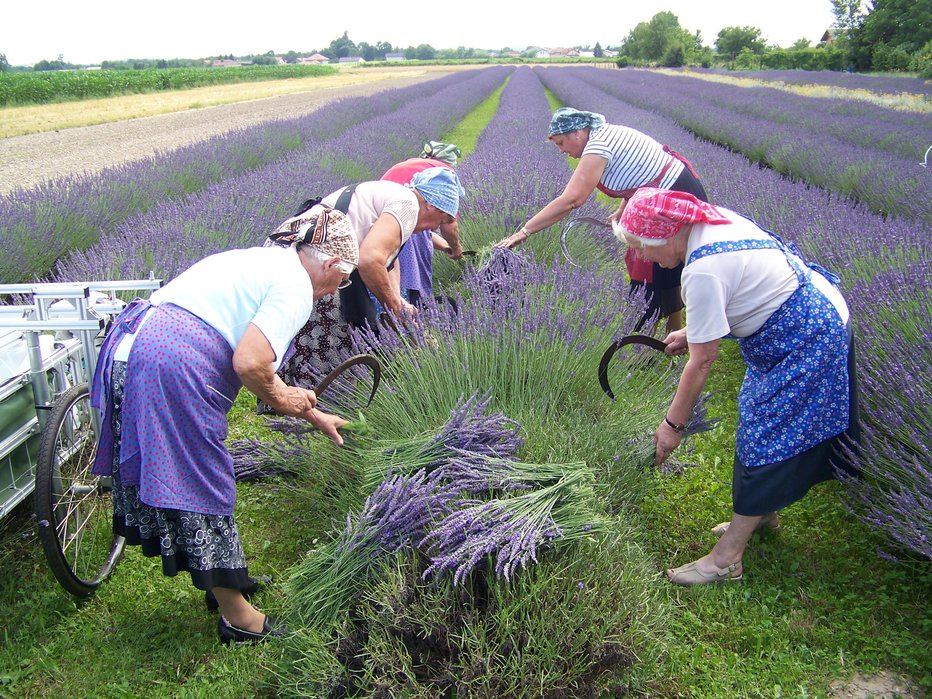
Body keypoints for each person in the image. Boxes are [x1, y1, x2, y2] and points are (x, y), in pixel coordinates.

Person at [90, 222, 358, 645]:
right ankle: (238, 618)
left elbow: (260, 367)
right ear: (330, 262)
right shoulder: (295, 288)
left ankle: (226, 579)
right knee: (201, 481)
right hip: (170, 366)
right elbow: (251, 364)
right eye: (341, 279)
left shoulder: (266, 262)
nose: (336, 290)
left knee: (187, 476)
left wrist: (315, 416)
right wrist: (286, 402)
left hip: (131, 350)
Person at [614, 188, 860, 586]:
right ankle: (762, 512)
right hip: (808, 312)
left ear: (665, 234)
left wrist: (672, 427)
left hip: (809, 335)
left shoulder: (702, 269)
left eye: (643, 247)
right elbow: (746, 285)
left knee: (768, 434)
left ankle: (727, 558)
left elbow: (703, 360)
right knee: (759, 419)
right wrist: (694, 330)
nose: (643, 257)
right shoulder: (708, 222)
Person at [264, 167, 462, 410]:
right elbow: (370, 260)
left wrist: (399, 301)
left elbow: (389, 260)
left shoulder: (400, 199)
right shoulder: (408, 205)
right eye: (440, 221)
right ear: (431, 205)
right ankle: (315, 409)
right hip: (311, 265)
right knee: (329, 344)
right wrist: (394, 308)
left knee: (343, 339)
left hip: (301, 257)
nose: (433, 229)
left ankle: (312, 406)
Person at [495, 107, 708, 333]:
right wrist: (622, 208)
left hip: (672, 200)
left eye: (561, 143)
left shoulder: (599, 145)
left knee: (648, 270)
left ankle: (646, 347)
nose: (561, 151)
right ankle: (672, 335)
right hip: (674, 194)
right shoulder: (603, 134)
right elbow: (639, 172)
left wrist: (524, 232)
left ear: (577, 133)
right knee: (664, 267)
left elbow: (572, 200)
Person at [379, 141, 464, 309]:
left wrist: (446, 246)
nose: (435, 227)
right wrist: (456, 247)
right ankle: (405, 313)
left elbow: (423, 229)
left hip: (383, 235)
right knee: (405, 290)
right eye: (439, 221)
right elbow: (449, 225)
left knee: (395, 282)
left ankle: (404, 310)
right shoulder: (442, 177)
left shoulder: (408, 166)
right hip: (395, 240)